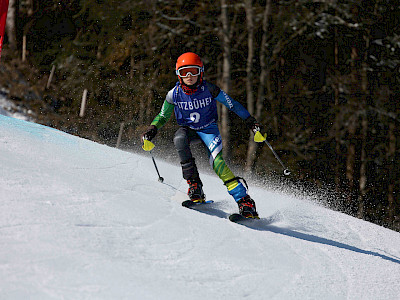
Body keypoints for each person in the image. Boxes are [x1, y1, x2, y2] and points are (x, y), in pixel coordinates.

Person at [141, 52, 265, 219]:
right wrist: (153, 128)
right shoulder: (174, 94)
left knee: (217, 163)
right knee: (179, 139)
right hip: (189, 130)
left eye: (194, 71)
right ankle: (195, 185)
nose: (190, 76)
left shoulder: (209, 89)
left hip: (208, 130)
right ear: (179, 74)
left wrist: (250, 120)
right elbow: (163, 116)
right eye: (185, 72)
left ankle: (245, 201)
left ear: (201, 71)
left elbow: (232, 105)